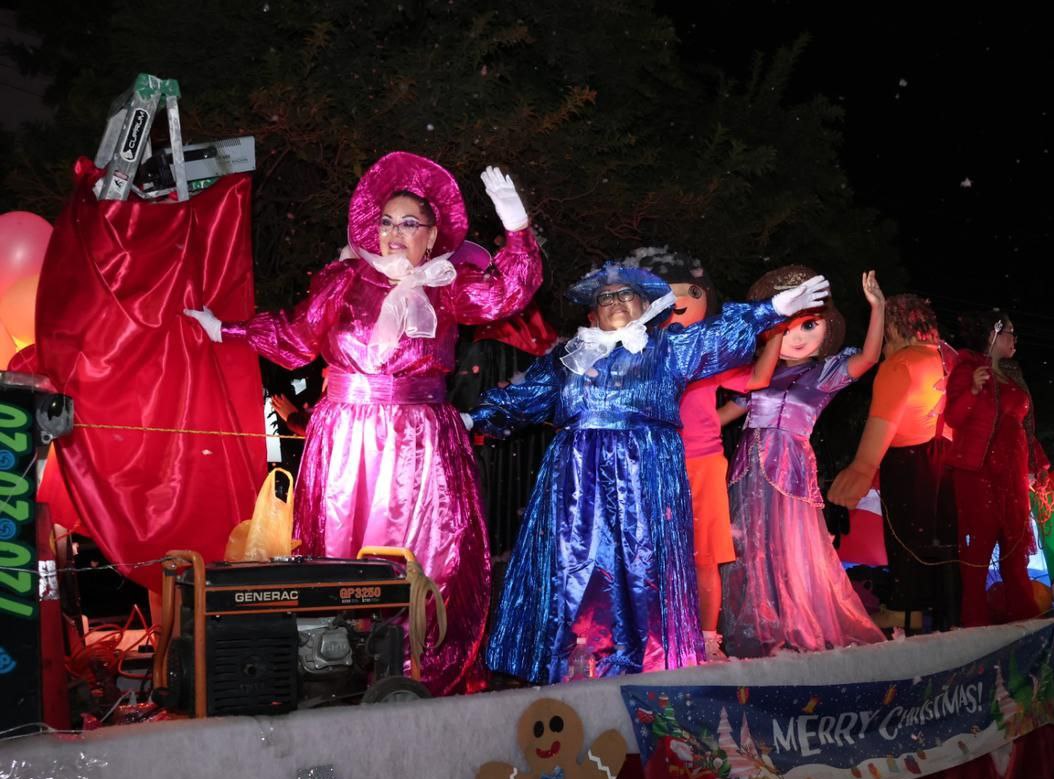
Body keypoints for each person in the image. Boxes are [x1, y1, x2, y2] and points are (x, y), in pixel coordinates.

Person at [183, 152, 541, 695]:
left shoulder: (447, 285)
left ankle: (418, 664)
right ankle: (338, 664)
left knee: (431, 553)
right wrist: (226, 330)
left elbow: (507, 293)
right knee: (341, 550)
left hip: (423, 440)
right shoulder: (345, 279)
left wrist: (517, 228)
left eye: (409, 223)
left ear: (432, 235)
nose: (395, 233)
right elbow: (296, 337)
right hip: (348, 438)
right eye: (387, 222)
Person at [469, 263, 829, 683]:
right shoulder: (570, 358)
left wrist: (771, 310)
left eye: (627, 295)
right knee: (572, 565)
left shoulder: (668, 348)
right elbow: (524, 396)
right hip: (575, 478)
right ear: (592, 313)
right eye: (606, 297)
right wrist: (472, 419)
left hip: (644, 472)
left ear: (647, 306)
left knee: (641, 566)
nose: (616, 302)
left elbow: (716, 337)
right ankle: (569, 661)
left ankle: (643, 663)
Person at [718, 266, 887, 657]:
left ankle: (797, 623)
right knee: (749, 547)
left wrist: (877, 308)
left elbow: (869, 357)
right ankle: (760, 624)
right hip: (747, 472)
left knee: (793, 547)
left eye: (809, 326)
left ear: (827, 331)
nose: (797, 336)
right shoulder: (759, 376)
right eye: (788, 327)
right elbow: (719, 417)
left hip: (790, 468)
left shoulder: (825, 373)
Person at [627, 247, 778, 661]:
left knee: (705, 555)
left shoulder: (710, 354)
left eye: (691, 292)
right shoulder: (638, 350)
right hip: (651, 463)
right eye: (667, 292)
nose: (679, 302)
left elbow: (758, 379)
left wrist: (777, 332)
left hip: (702, 462)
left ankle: (709, 639)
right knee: (649, 553)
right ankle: (653, 637)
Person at [828, 294, 958, 632]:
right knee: (941, 536)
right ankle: (948, 607)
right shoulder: (950, 359)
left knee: (906, 537)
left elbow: (882, 422)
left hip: (908, 460)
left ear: (895, 327)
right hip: (946, 459)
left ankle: (905, 609)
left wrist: (862, 466)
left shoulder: (901, 364)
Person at [945, 311, 1048, 626]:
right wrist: (973, 392)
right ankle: (974, 623)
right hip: (980, 474)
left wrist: (1038, 463)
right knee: (977, 553)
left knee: (1014, 550)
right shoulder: (967, 370)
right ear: (992, 335)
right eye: (1009, 333)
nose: (1014, 340)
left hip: (1011, 474)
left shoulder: (1012, 373)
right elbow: (953, 418)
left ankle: (1023, 620)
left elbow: (1025, 426)